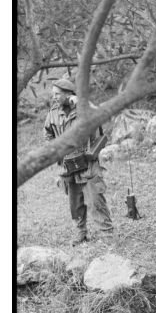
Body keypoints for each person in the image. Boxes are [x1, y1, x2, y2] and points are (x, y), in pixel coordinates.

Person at [44, 78, 113, 245]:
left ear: (69, 94)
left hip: (88, 163)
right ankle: (80, 234)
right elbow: (48, 135)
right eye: (53, 94)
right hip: (67, 165)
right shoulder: (53, 113)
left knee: (96, 200)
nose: (54, 97)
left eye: (58, 94)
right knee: (75, 204)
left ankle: (107, 236)